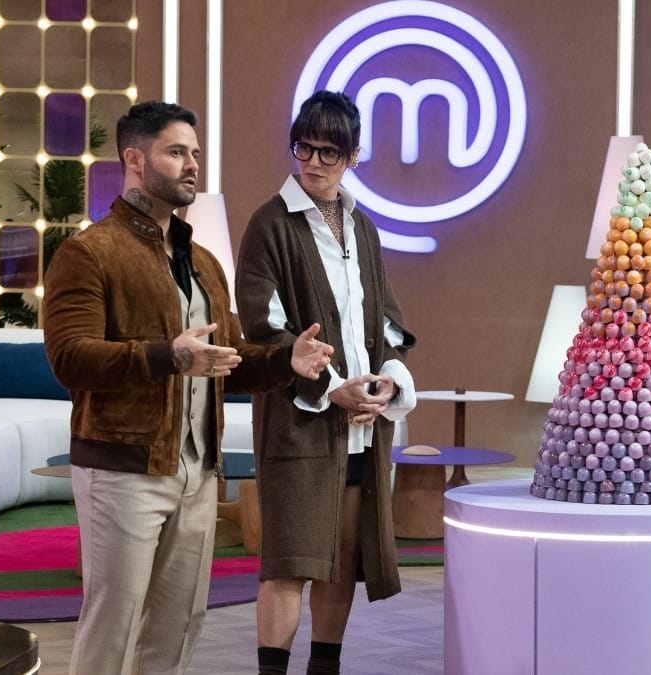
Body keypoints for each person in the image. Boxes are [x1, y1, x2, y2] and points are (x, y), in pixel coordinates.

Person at [42, 101, 334, 675]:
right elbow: (70, 358)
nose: (192, 164)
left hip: (198, 474)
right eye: (176, 152)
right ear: (134, 159)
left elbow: (226, 361)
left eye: (194, 153)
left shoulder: (203, 261)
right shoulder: (88, 252)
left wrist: (286, 361)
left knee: (179, 626)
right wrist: (169, 356)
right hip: (123, 469)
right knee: (112, 625)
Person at [235, 90, 417, 675]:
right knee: (289, 563)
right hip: (299, 425)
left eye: (329, 152)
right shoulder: (269, 224)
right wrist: (331, 385)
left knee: (340, 560)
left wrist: (386, 382)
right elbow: (264, 327)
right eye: (304, 148)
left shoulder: (363, 227)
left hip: (360, 429)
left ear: (354, 155)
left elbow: (384, 321)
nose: (313, 162)